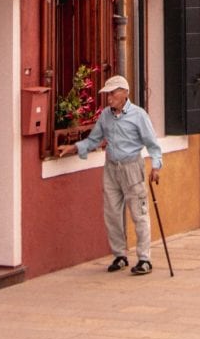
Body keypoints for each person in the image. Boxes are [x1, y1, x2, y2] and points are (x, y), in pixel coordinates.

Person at [61, 75, 162, 275]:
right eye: (108, 94)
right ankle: (120, 255)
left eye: (113, 93)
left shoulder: (139, 115)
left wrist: (156, 167)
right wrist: (74, 147)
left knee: (138, 213)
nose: (109, 98)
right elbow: (94, 140)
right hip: (111, 168)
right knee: (112, 213)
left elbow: (152, 144)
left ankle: (144, 259)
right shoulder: (105, 116)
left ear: (125, 93)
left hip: (132, 167)